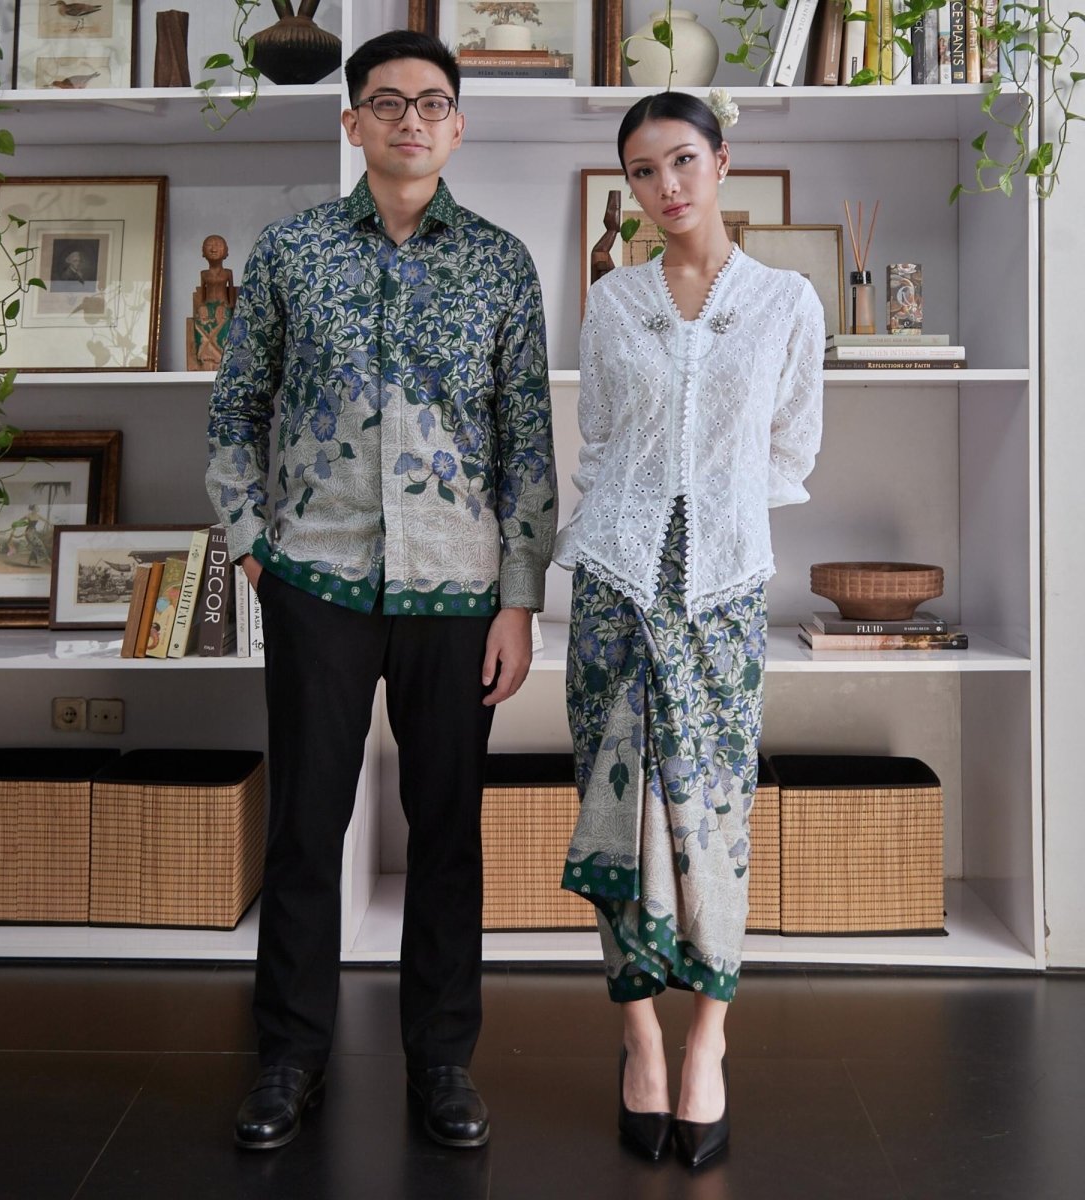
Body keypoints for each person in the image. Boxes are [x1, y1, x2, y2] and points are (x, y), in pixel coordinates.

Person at [205, 29, 556, 1154]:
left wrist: (519, 598)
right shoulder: (292, 251)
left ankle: (443, 1061)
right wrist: (254, 547)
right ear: (353, 120)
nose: (412, 120)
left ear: (459, 125)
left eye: (432, 102)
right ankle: (289, 1058)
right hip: (317, 579)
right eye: (389, 102)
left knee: (447, 834)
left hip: (459, 591)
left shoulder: (501, 264)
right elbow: (235, 408)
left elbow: (527, 442)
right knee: (306, 827)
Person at [554, 89, 824, 1169]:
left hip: (722, 594)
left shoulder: (787, 300)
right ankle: (639, 1041)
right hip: (614, 585)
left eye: (681, 161)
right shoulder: (613, 302)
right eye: (642, 171)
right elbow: (598, 443)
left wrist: (716, 509)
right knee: (613, 810)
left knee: (716, 816)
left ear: (721, 162)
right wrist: (647, 511)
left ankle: (707, 1040)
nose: (664, 186)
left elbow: (791, 448)